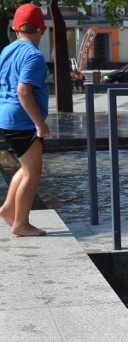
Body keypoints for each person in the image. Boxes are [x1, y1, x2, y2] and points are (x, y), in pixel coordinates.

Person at [0, 4, 50, 237]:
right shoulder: (34, 56)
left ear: (15, 28)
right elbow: (23, 91)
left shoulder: (7, 51)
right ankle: (21, 223)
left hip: (7, 117)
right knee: (33, 172)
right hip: (23, 121)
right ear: (43, 29)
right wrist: (40, 124)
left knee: (27, 166)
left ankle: (9, 210)